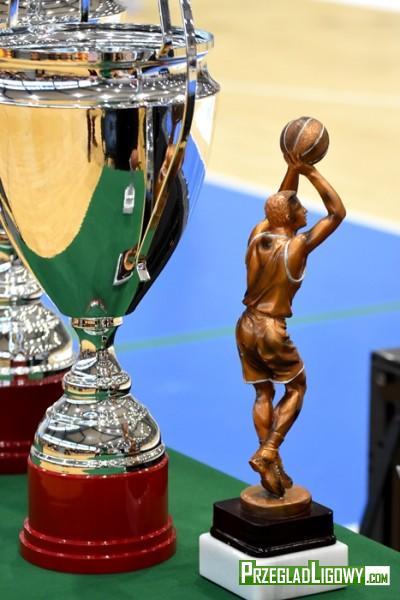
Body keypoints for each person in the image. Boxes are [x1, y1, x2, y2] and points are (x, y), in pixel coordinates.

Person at [236, 152, 346, 497]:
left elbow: (280, 202)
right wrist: (309, 171)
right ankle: (269, 450)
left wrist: (291, 168)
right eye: (299, 207)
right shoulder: (297, 246)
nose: (305, 209)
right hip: (271, 328)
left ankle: (271, 463)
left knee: (263, 392)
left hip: (244, 325)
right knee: (297, 388)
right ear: (289, 216)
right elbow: (337, 213)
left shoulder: (258, 235)